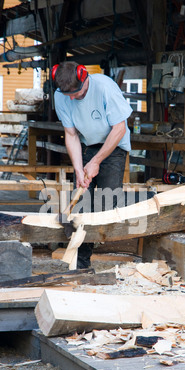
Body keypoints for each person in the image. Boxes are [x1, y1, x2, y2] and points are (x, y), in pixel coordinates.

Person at [52, 61, 133, 269]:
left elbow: (119, 129)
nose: (72, 98)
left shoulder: (105, 88)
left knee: (107, 200)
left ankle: (139, 207)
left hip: (114, 145)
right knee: (81, 202)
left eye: (76, 93)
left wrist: (96, 161)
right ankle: (80, 263)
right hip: (88, 143)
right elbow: (71, 134)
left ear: (84, 77)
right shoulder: (61, 96)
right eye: (67, 94)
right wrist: (79, 169)